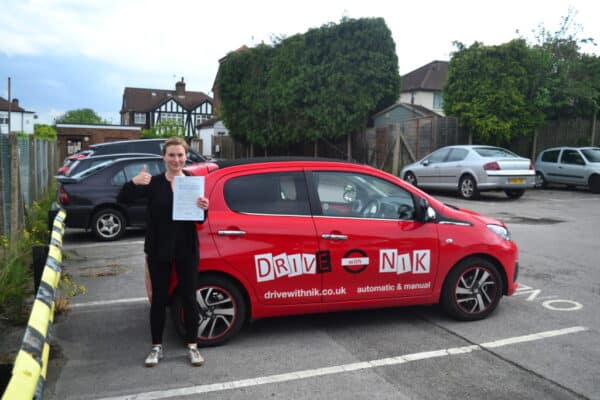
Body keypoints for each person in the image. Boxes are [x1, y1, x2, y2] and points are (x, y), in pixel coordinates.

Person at [118, 136, 209, 367]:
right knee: (159, 299)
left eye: (180, 155)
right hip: (159, 249)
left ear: (185, 156)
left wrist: (204, 208)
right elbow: (123, 200)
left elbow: (199, 219)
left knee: (189, 297)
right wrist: (134, 182)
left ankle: (192, 345)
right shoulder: (154, 183)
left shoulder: (193, 181)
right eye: (172, 155)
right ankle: (156, 346)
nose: (176, 159)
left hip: (186, 248)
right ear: (164, 157)